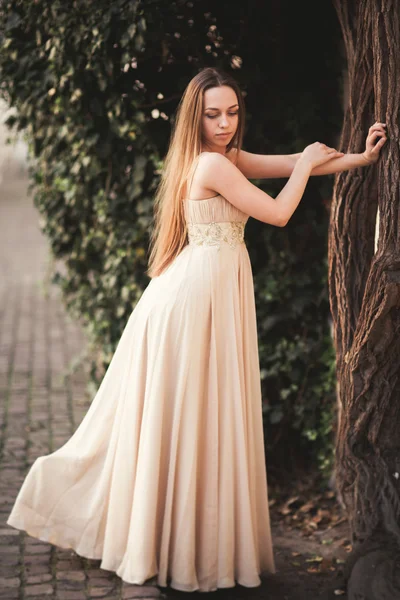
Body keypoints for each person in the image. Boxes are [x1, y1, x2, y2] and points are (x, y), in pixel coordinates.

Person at [6, 66, 386, 593]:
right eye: (213, 114)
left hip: (208, 292)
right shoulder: (209, 164)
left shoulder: (225, 157)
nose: (226, 123)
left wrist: (358, 159)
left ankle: (190, 542)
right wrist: (305, 164)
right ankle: (172, 546)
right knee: (190, 412)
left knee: (201, 414)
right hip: (192, 301)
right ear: (196, 117)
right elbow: (278, 211)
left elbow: (292, 165)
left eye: (232, 112)